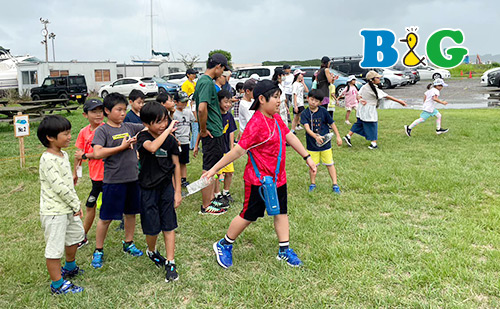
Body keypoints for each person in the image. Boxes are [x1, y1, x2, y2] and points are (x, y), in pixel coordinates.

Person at [204, 80, 317, 269]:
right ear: (262, 99)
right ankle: (224, 244)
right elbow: (238, 151)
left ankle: (284, 250)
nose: (279, 101)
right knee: (248, 215)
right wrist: (214, 169)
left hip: (277, 178)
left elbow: (289, 135)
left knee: (281, 211)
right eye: (275, 97)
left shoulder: (275, 118)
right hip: (258, 180)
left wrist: (307, 157)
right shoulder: (256, 122)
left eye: (280, 97)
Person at [90, 92, 145, 269]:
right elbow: (97, 153)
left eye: (124, 109)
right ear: (107, 111)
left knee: (130, 214)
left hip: (132, 179)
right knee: (106, 218)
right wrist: (121, 147)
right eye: (118, 110)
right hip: (113, 181)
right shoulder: (102, 130)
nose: (122, 113)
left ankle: (128, 243)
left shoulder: (129, 126)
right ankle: (98, 250)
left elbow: (146, 127)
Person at [37, 115, 85, 294]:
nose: (69, 137)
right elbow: (59, 187)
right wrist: (75, 204)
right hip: (55, 211)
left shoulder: (63, 154)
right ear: (50, 137)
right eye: (65, 134)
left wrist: (74, 174)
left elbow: (66, 181)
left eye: (70, 133)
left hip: (69, 207)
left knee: (75, 236)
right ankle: (57, 285)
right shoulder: (47, 159)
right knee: (55, 248)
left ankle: (70, 267)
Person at [137, 102, 182, 283]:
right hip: (147, 188)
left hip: (166, 187)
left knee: (169, 224)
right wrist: (168, 131)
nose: (163, 124)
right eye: (158, 122)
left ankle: (171, 262)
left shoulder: (170, 140)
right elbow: (153, 147)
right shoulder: (143, 137)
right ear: (147, 124)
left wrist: (177, 191)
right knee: (152, 227)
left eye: (165, 120)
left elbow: (176, 165)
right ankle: (152, 250)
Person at [193, 53, 230, 215]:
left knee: (212, 167)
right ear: (218, 67)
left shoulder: (201, 81)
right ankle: (206, 206)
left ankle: (209, 201)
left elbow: (196, 106)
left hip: (213, 132)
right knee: (209, 169)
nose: (222, 74)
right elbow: (201, 108)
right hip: (212, 133)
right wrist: (202, 129)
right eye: (223, 70)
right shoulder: (207, 83)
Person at [343, 71, 407, 150]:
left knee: (359, 123)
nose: (379, 79)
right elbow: (387, 96)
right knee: (373, 125)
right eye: (377, 77)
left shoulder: (365, 86)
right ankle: (373, 143)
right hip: (369, 109)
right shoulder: (373, 89)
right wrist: (400, 101)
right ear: (372, 80)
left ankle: (348, 136)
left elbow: (358, 95)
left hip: (362, 108)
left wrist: (360, 99)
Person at [73, 98, 105, 248]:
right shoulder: (83, 132)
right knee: (90, 205)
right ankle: (83, 236)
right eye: (94, 112)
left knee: (115, 205)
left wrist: (86, 156)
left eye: (101, 111)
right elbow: (78, 153)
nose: (98, 115)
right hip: (95, 177)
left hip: (110, 175)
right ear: (85, 115)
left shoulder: (107, 129)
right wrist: (75, 173)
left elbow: (102, 153)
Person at [300, 89, 343, 193]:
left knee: (329, 163)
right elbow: (307, 128)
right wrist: (316, 137)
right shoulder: (305, 113)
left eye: (316, 101)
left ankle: (335, 184)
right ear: (308, 98)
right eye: (312, 99)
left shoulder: (323, 111)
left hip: (325, 144)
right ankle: (313, 183)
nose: (313, 102)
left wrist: (338, 136)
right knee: (312, 165)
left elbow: (332, 123)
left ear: (320, 103)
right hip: (312, 145)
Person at [173, 91, 195, 187]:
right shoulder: (173, 113)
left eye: (186, 102)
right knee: (176, 162)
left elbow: (195, 119)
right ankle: (176, 179)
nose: (185, 104)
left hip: (186, 140)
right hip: (177, 141)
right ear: (176, 102)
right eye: (182, 102)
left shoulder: (188, 111)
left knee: (184, 161)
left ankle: (183, 179)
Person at [182, 69, 199, 150]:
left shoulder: (195, 83)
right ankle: (193, 145)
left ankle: (193, 144)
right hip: (190, 106)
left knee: (195, 127)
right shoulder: (186, 84)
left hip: (195, 105)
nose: (194, 76)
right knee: (194, 126)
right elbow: (184, 97)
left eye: (195, 74)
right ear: (188, 75)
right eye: (192, 74)